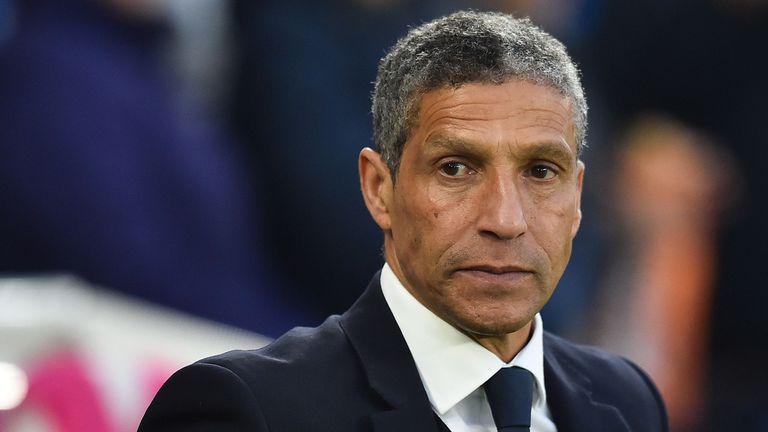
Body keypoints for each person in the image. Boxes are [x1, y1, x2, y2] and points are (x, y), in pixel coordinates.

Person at [139, 11, 668, 432]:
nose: (506, 220)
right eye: (456, 168)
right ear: (379, 189)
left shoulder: (627, 403)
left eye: (540, 171)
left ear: (577, 198)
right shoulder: (247, 410)